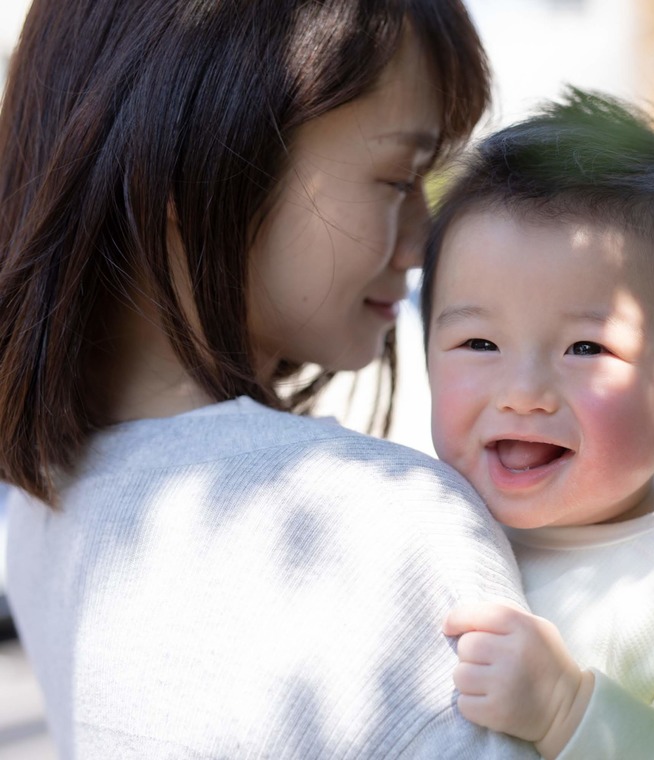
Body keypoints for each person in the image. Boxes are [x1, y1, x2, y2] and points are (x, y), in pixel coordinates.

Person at [0, 1, 536, 757]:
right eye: (397, 178)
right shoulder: (388, 528)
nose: (422, 241)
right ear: (190, 162)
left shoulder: (47, 492)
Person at [422, 89, 654, 759]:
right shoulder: (420, 511)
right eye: (479, 344)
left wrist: (568, 710)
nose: (523, 392)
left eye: (586, 349)